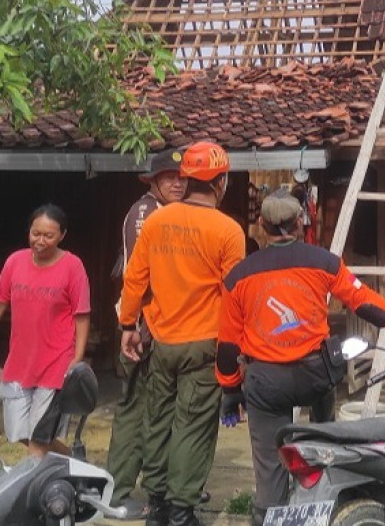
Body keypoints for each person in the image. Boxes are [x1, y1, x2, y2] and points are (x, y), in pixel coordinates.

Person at [216, 188, 385, 526]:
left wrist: (230, 390)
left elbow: (227, 345)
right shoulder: (323, 262)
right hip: (315, 376)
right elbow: (364, 302)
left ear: (262, 226)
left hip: (266, 383)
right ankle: (324, 492)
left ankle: (269, 514)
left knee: (269, 464)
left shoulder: (239, 276)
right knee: (324, 441)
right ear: (299, 222)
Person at [118, 141, 246, 526]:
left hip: (161, 339)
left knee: (158, 419)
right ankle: (180, 511)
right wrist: (237, 355)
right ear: (221, 182)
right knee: (192, 425)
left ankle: (156, 504)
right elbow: (234, 297)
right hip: (204, 343)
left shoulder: (157, 221)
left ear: (187, 177)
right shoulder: (229, 231)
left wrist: (128, 325)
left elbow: (134, 278)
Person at [0, 204, 90, 459]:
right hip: (20, 364)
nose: (40, 241)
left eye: (48, 236)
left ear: (62, 235)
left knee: (40, 439)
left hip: (56, 364)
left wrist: (77, 359)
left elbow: (81, 315)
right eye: (35, 233)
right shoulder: (14, 262)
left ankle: (33, 494)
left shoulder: (73, 267)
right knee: (21, 434)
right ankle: (76, 464)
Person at [106, 147, 187, 520]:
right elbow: (137, 277)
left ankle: (161, 491)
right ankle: (117, 491)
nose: (177, 181)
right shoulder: (146, 212)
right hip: (141, 328)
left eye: (182, 175)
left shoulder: (169, 213)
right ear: (153, 181)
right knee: (136, 412)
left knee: (157, 412)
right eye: (169, 176)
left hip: (160, 327)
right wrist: (134, 326)